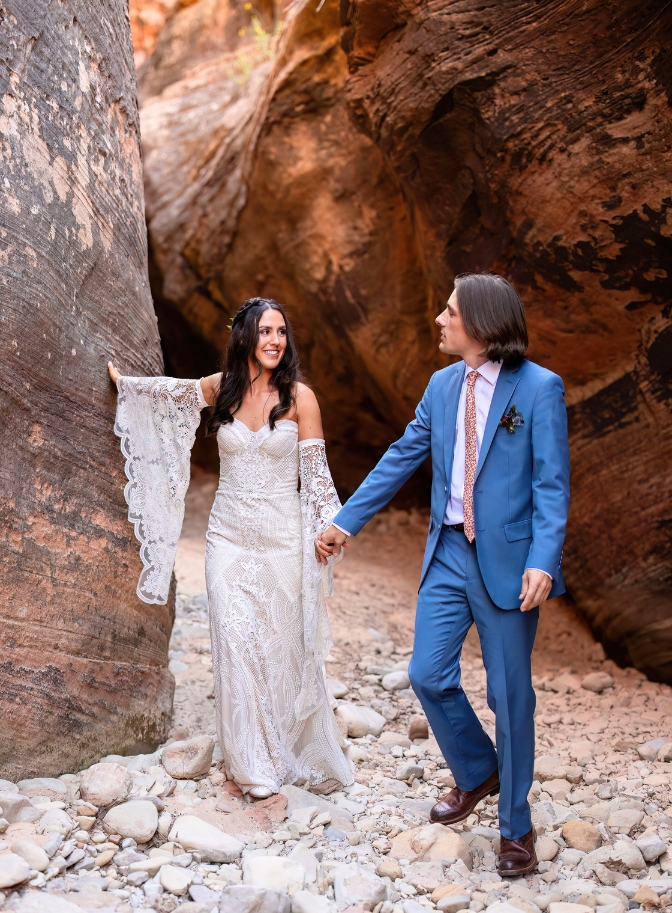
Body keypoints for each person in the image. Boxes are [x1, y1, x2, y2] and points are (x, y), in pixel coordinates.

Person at [316, 273, 570, 875]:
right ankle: (478, 771)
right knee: (427, 674)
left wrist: (543, 559)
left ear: (479, 324)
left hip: (509, 561)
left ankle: (516, 828)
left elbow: (551, 485)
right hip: (449, 552)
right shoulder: (441, 384)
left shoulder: (539, 389)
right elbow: (402, 453)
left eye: (450, 311)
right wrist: (345, 522)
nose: (438, 319)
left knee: (510, 697)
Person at [109, 297, 353, 798]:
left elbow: (318, 478)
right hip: (228, 538)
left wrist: (329, 528)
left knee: (281, 649)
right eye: (265, 331)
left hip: (283, 541)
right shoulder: (223, 388)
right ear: (245, 336)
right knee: (236, 642)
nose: (275, 341)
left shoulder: (301, 398)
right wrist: (126, 387)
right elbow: (173, 396)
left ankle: (286, 745)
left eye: (281, 332)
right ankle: (251, 764)